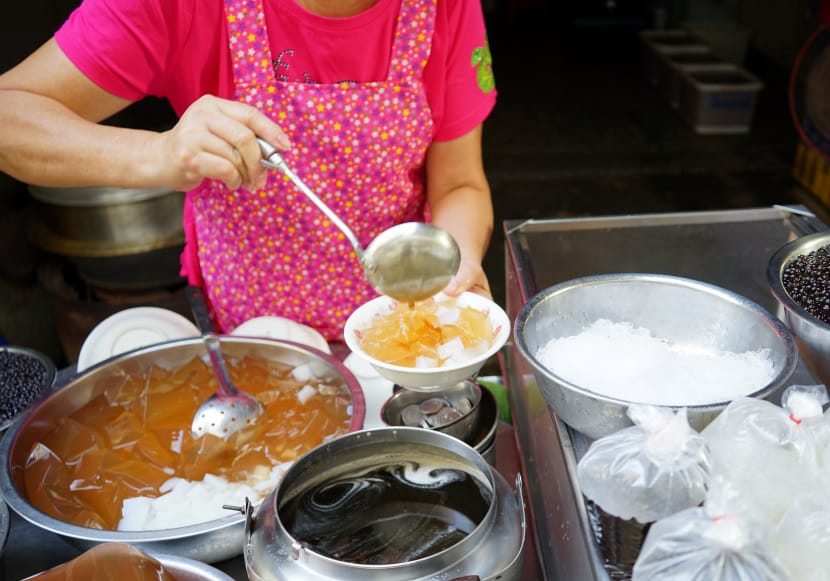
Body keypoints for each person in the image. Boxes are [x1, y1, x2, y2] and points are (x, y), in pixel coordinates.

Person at [0, 0, 497, 341]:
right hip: (250, 345)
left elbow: (458, 182)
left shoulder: (445, 7)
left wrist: (459, 265)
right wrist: (160, 155)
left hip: (402, 334)